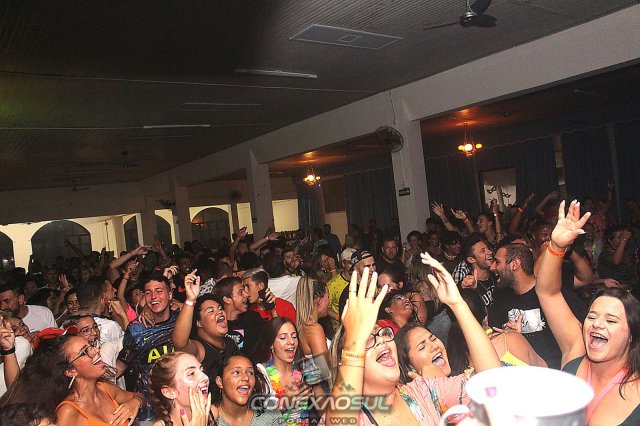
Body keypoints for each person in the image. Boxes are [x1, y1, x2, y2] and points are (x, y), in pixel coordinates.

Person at [323, 253, 501, 425]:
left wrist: (457, 304)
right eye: (367, 340)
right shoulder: (354, 417)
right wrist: (354, 342)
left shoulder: (423, 392)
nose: (382, 340)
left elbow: (491, 381)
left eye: (384, 334)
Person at [535, 200, 640, 425]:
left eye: (611, 320)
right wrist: (556, 246)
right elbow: (547, 292)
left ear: (631, 334)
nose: (597, 324)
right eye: (592, 317)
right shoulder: (575, 352)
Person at [0, 330, 143, 426]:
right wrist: (9, 350)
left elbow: (140, 396)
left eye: (91, 346)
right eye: (85, 352)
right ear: (70, 371)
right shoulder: (68, 412)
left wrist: (135, 403)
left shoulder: (105, 389)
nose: (95, 351)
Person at [489, 242, 587, 369]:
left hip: (558, 371)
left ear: (515, 264)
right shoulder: (500, 297)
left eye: (497, 262)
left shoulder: (552, 294)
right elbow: (494, 338)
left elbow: (583, 327)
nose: (492, 267)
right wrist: (510, 336)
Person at [119, 273, 179, 423]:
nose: (153, 297)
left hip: (181, 406)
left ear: (170, 294)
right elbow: (121, 365)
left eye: (159, 291)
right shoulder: (136, 330)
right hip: (148, 412)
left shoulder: (182, 321)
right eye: (148, 293)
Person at [447, 289, 547, 375]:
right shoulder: (510, 340)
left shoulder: (450, 364)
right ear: (485, 319)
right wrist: (515, 337)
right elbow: (544, 371)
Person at [172, 270, 239, 394]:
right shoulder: (199, 349)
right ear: (199, 323)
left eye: (220, 308)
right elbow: (179, 343)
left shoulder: (230, 343)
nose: (219, 312)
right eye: (210, 311)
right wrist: (190, 300)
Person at [252, 318, 321, 425]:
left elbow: (323, 410)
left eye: (294, 337)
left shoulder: (305, 367)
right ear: (271, 344)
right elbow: (257, 419)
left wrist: (316, 385)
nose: (291, 342)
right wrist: (283, 404)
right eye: (283, 338)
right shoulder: (261, 374)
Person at [149, 352, 217, 426]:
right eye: (191, 373)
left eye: (202, 370)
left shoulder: (212, 413)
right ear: (169, 392)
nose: (205, 377)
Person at [213, 354, 281, 426]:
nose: (246, 377)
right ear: (220, 382)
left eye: (250, 373)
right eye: (237, 372)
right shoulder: (208, 417)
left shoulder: (269, 412)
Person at [211, 277, 264, 352]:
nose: (246, 295)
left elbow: (272, 337)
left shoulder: (253, 319)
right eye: (241, 292)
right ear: (227, 299)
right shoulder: (214, 325)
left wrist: (272, 308)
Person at [296, 277, 330, 359]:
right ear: (319, 301)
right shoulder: (314, 329)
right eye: (328, 297)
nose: (329, 301)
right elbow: (324, 365)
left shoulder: (305, 327)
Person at [326, 247, 354, 331]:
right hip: (340, 329)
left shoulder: (364, 281)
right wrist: (339, 317)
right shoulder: (332, 284)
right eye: (350, 262)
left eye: (355, 262)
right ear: (343, 263)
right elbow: (326, 308)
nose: (353, 265)